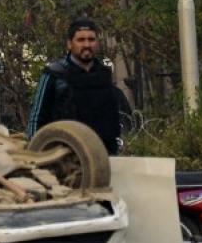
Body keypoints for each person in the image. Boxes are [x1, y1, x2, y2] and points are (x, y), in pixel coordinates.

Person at [28, 18, 130, 156]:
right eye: (81, 40)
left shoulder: (103, 75)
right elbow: (36, 118)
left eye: (91, 39)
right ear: (70, 44)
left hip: (101, 156)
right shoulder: (54, 74)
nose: (87, 44)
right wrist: (35, 155)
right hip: (62, 157)